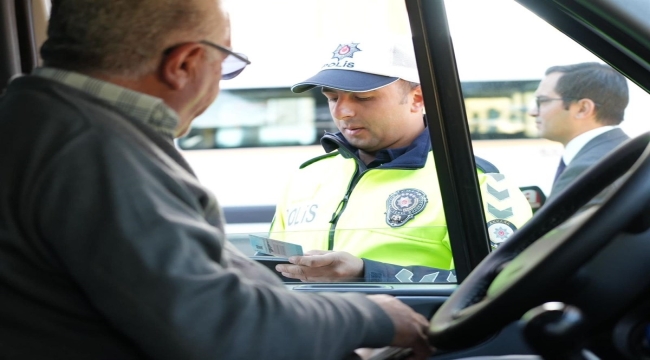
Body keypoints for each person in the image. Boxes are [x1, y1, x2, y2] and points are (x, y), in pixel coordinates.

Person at [0, 1, 434, 359]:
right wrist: (370, 317)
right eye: (225, 64)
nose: (342, 111)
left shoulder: (35, 123)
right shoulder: (92, 150)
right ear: (185, 63)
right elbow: (215, 324)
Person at [270, 38, 533, 283]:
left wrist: (367, 274)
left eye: (363, 98)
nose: (342, 112)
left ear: (417, 99)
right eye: (332, 98)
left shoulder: (476, 182)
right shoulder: (305, 177)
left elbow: (502, 283)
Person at [529, 62, 630, 199]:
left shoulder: (590, 169)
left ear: (583, 109)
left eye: (542, 101)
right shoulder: (622, 152)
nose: (533, 112)